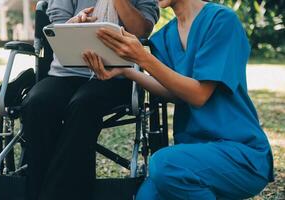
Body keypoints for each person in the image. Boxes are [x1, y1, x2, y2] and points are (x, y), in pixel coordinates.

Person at [83, 0, 274, 199]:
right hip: (192, 154)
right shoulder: (164, 37)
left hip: (241, 153)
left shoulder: (222, 20)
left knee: (164, 164)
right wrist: (126, 70)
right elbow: (175, 92)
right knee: (147, 195)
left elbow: (199, 95)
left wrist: (142, 58)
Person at [21, 0, 159, 200]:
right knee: (37, 102)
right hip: (66, 71)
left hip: (117, 73)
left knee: (84, 104)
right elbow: (58, 28)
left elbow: (141, 31)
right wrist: (74, 24)